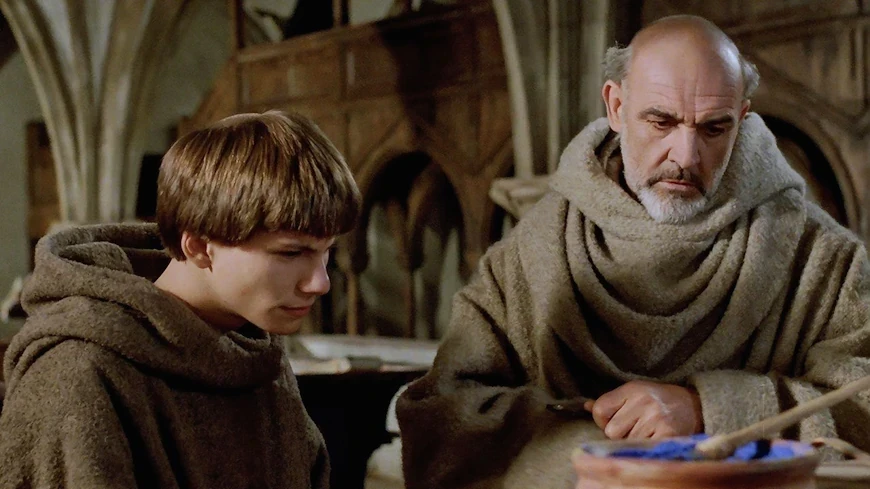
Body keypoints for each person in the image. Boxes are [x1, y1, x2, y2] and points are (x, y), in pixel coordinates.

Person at [396, 15, 870, 489]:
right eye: (661, 122)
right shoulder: (526, 256)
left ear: (742, 118)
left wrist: (707, 409)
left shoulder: (824, 259)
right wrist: (601, 456)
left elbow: (863, 402)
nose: (686, 156)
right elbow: (440, 417)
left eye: (713, 129)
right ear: (617, 106)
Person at [0, 111, 361, 488]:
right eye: (291, 253)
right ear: (200, 246)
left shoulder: (255, 355)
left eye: (326, 251)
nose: (320, 283)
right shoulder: (79, 372)